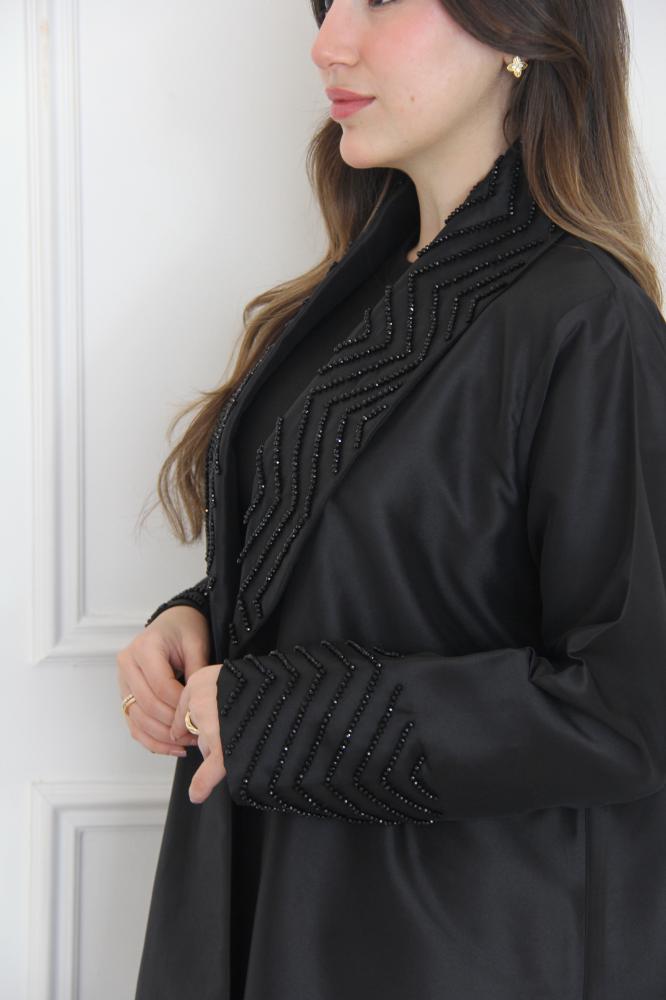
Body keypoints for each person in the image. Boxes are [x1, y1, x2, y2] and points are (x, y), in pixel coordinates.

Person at [117, 1, 666, 998]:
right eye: (328, 3)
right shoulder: (350, 294)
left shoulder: (588, 322)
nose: (327, 42)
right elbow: (388, 564)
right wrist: (195, 621)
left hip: (441, 938)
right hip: (270, 898)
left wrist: (280, 718)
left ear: (516, 29)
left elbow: (624, 706)